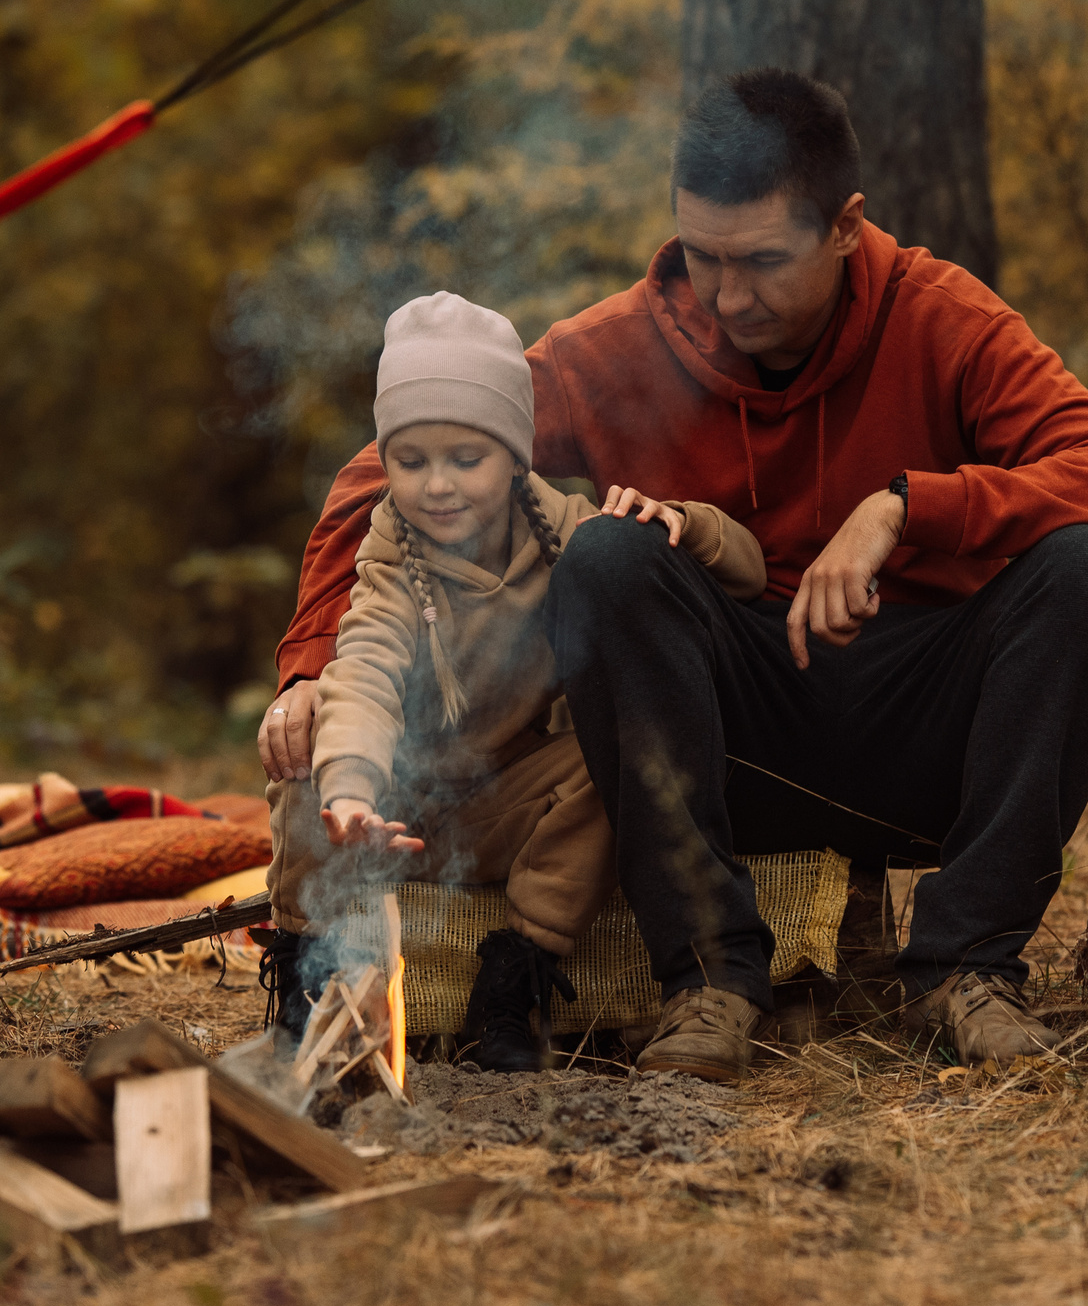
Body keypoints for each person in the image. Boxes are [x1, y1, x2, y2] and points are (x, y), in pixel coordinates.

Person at [262, 70, 1088, 1082]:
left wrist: (907, 505)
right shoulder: (621, 345)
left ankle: (967, 964)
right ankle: (709, 976)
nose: (728, 295)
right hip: (711, 747)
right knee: (610, 555)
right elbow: (379, 468)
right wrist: (309, 662)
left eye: (762, 261)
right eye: (703, 255)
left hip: (922, 731)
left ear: (844, 226)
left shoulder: (940, 316)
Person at [261, 291, 766, 1071]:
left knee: (610, 765)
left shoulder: (563, 528)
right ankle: (308, 972)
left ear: (516, 453)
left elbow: (749, 568)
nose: (438, 485)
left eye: (467, 459)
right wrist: (352, 791)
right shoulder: (391, 557)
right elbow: (362, 671)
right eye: (411, 460)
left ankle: (514, 978)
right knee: (307, 766)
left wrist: (686, 525)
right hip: (392, 807)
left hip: (505, 805)